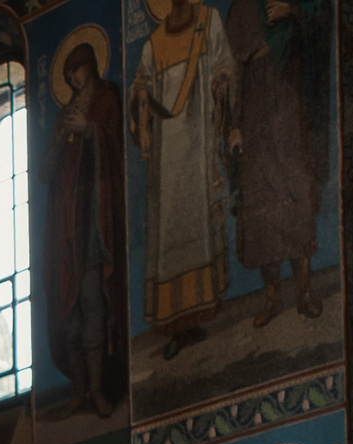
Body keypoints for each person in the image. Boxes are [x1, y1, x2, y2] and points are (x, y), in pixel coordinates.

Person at [128, 0, 232, 359]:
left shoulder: (209, 22)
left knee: (198, 225)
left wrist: (221, 81)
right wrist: (140, 96)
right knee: (169, 234)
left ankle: (200, 312)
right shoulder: (153, 45)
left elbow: (224, 65)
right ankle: (175, 325)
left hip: (197, 149)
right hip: (167, 163)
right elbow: (139, 91)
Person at [224, 0, 332, 327]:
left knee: (294, 186)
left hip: (289, 86)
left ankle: (304, 290)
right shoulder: (240, 10)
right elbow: (232, 71)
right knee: (258, 197)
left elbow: (323, 20)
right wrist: (235, 125)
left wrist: (293, 12)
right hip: (254, 101)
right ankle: (272, 296)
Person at [49, 39, 127, 417]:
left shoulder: (107, 99)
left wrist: (92, 129)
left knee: (94, 300)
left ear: (91, 67)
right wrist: (63, 138)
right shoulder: (65, 114)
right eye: (68, 74)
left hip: (95, 220)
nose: (74, 79)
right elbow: (46, 169)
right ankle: (79, 391)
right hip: (67, 225)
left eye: (78, 70)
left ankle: (97, 391)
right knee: (70, 308)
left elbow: (118, 143)